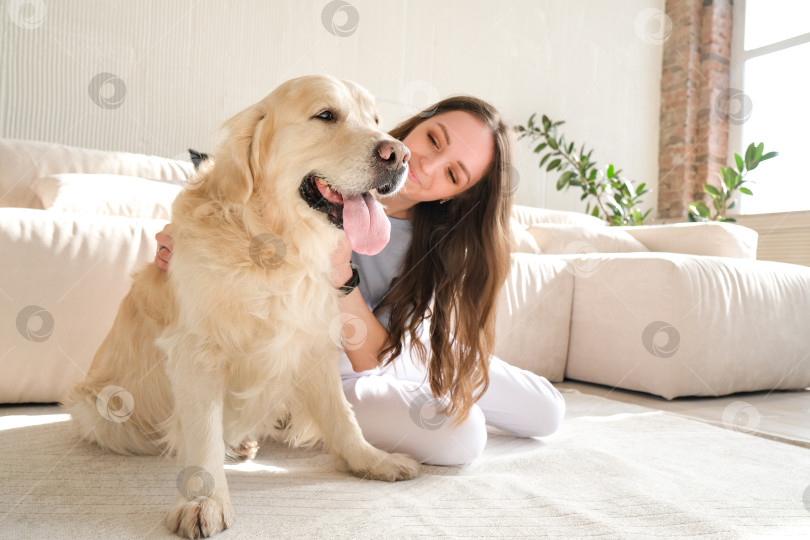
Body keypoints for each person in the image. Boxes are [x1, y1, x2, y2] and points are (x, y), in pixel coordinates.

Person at [154, 96, 565, 467]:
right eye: (434, 141)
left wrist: (342, 277)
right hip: (341, 367)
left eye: (454, 175)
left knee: (547, 410)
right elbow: (236, 195)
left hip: (407, 348)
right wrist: (186, 242)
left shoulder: (442, 242)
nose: (427, 165)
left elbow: (385, 353)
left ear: (455, 196)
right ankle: (284, 413)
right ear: (415, 125)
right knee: (463, 435)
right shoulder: (316, 174)